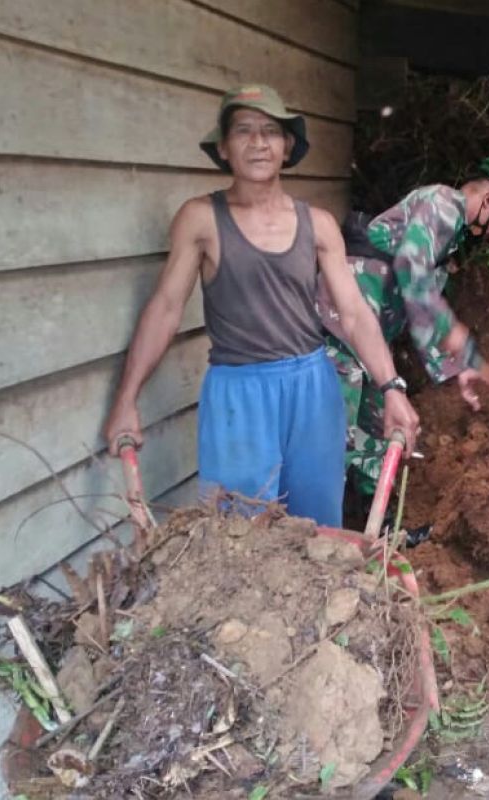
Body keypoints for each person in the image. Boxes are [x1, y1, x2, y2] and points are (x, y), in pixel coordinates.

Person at [102, 84, 419, 528]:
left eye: (270, 131)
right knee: (240, 537)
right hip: (238, 394)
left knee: (317, 530)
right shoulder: (200, 218)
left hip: (312, 388)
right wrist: (126, 398)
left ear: (287, 146)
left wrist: (392, 389)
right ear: (224, 147)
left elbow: (354, 313)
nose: (258, 142)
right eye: (243, 131)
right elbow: (166, 308)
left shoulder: (319, 225)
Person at [320, 157, 489, 502]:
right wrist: (451, 327)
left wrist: (459, 366)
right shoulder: (443, 203)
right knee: (335, 430)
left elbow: (422, 302)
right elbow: (411, 265)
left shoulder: (446, 238)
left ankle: (375, 525)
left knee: (379, 426)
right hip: (344, 325)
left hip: (372, 340)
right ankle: (322, 527)